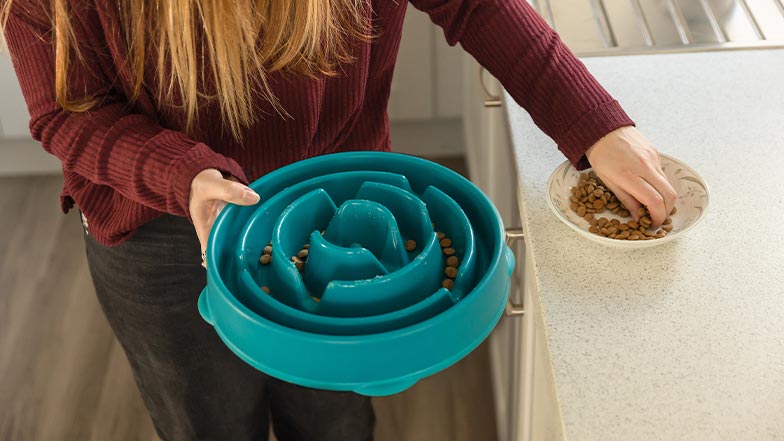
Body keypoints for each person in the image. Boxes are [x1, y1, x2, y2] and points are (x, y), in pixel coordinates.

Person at [1, 0, 677, 440]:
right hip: (160, 227)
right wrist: (188, 177)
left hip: (342, 203)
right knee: (205, 420)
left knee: (332, 418)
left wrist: (595, 124)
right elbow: (68, 111)